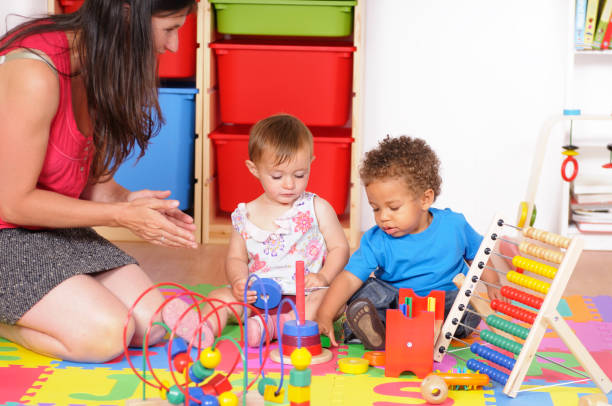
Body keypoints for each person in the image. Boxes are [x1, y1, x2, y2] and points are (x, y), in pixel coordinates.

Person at [0, 0, 199, 363]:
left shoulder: (101, 64)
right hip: (5, 232)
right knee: (107, 336)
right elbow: (12, 203)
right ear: (127, 15)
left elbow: (93, 183)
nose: (173, 46)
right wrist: (120, 218)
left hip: (47, 229)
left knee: (152, 326)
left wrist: (130, 203)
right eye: (170, 28)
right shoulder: (35, 71)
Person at [163, 113, 350, 347]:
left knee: (329, 300)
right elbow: (235, 258)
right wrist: (240, 281)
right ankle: (204, 328)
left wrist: (323, 276)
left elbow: (339, 247)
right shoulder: (244, 215)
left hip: (304, 296)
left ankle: (275, 326)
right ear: (254, 169)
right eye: (277, 176)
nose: (290, 184)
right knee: (218, 297)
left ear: (310, 163)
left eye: (300, 174)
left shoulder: (316, 207)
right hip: (259, 297)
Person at [315, 135, 504, 350]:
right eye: (375, 208)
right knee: (367, 293)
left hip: (445, 303)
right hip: (399, 304)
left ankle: (429, 331)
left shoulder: (454, 225)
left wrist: (492, 283)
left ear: (425, 199)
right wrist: (325, 313)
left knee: (469, 306)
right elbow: (349, 279)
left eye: (393, 207)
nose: (383, 217)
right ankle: (378, 330)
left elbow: (479, 256)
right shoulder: (376, 240)